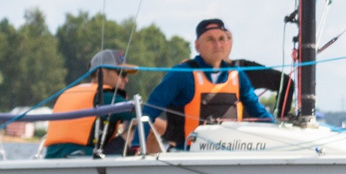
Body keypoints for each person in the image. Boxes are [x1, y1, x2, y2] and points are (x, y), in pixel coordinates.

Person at [147, 19, 276, 147]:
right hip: (188, 154)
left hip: (232, 152)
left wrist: (277, 135)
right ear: (197, 45)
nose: (217, 44)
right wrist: (137, 144)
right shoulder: (182, 74)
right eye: (210, 39)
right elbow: (150, 111)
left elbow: (259, 113)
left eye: (221, 39)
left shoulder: (237, 75)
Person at [41, 49, 137, 159]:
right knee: (143, 125)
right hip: (84, 157)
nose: (126, 79)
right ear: (102, 73)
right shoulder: (106, 97)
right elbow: (146, 114)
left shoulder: (69, 93)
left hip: (52, 158)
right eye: (122, 74)